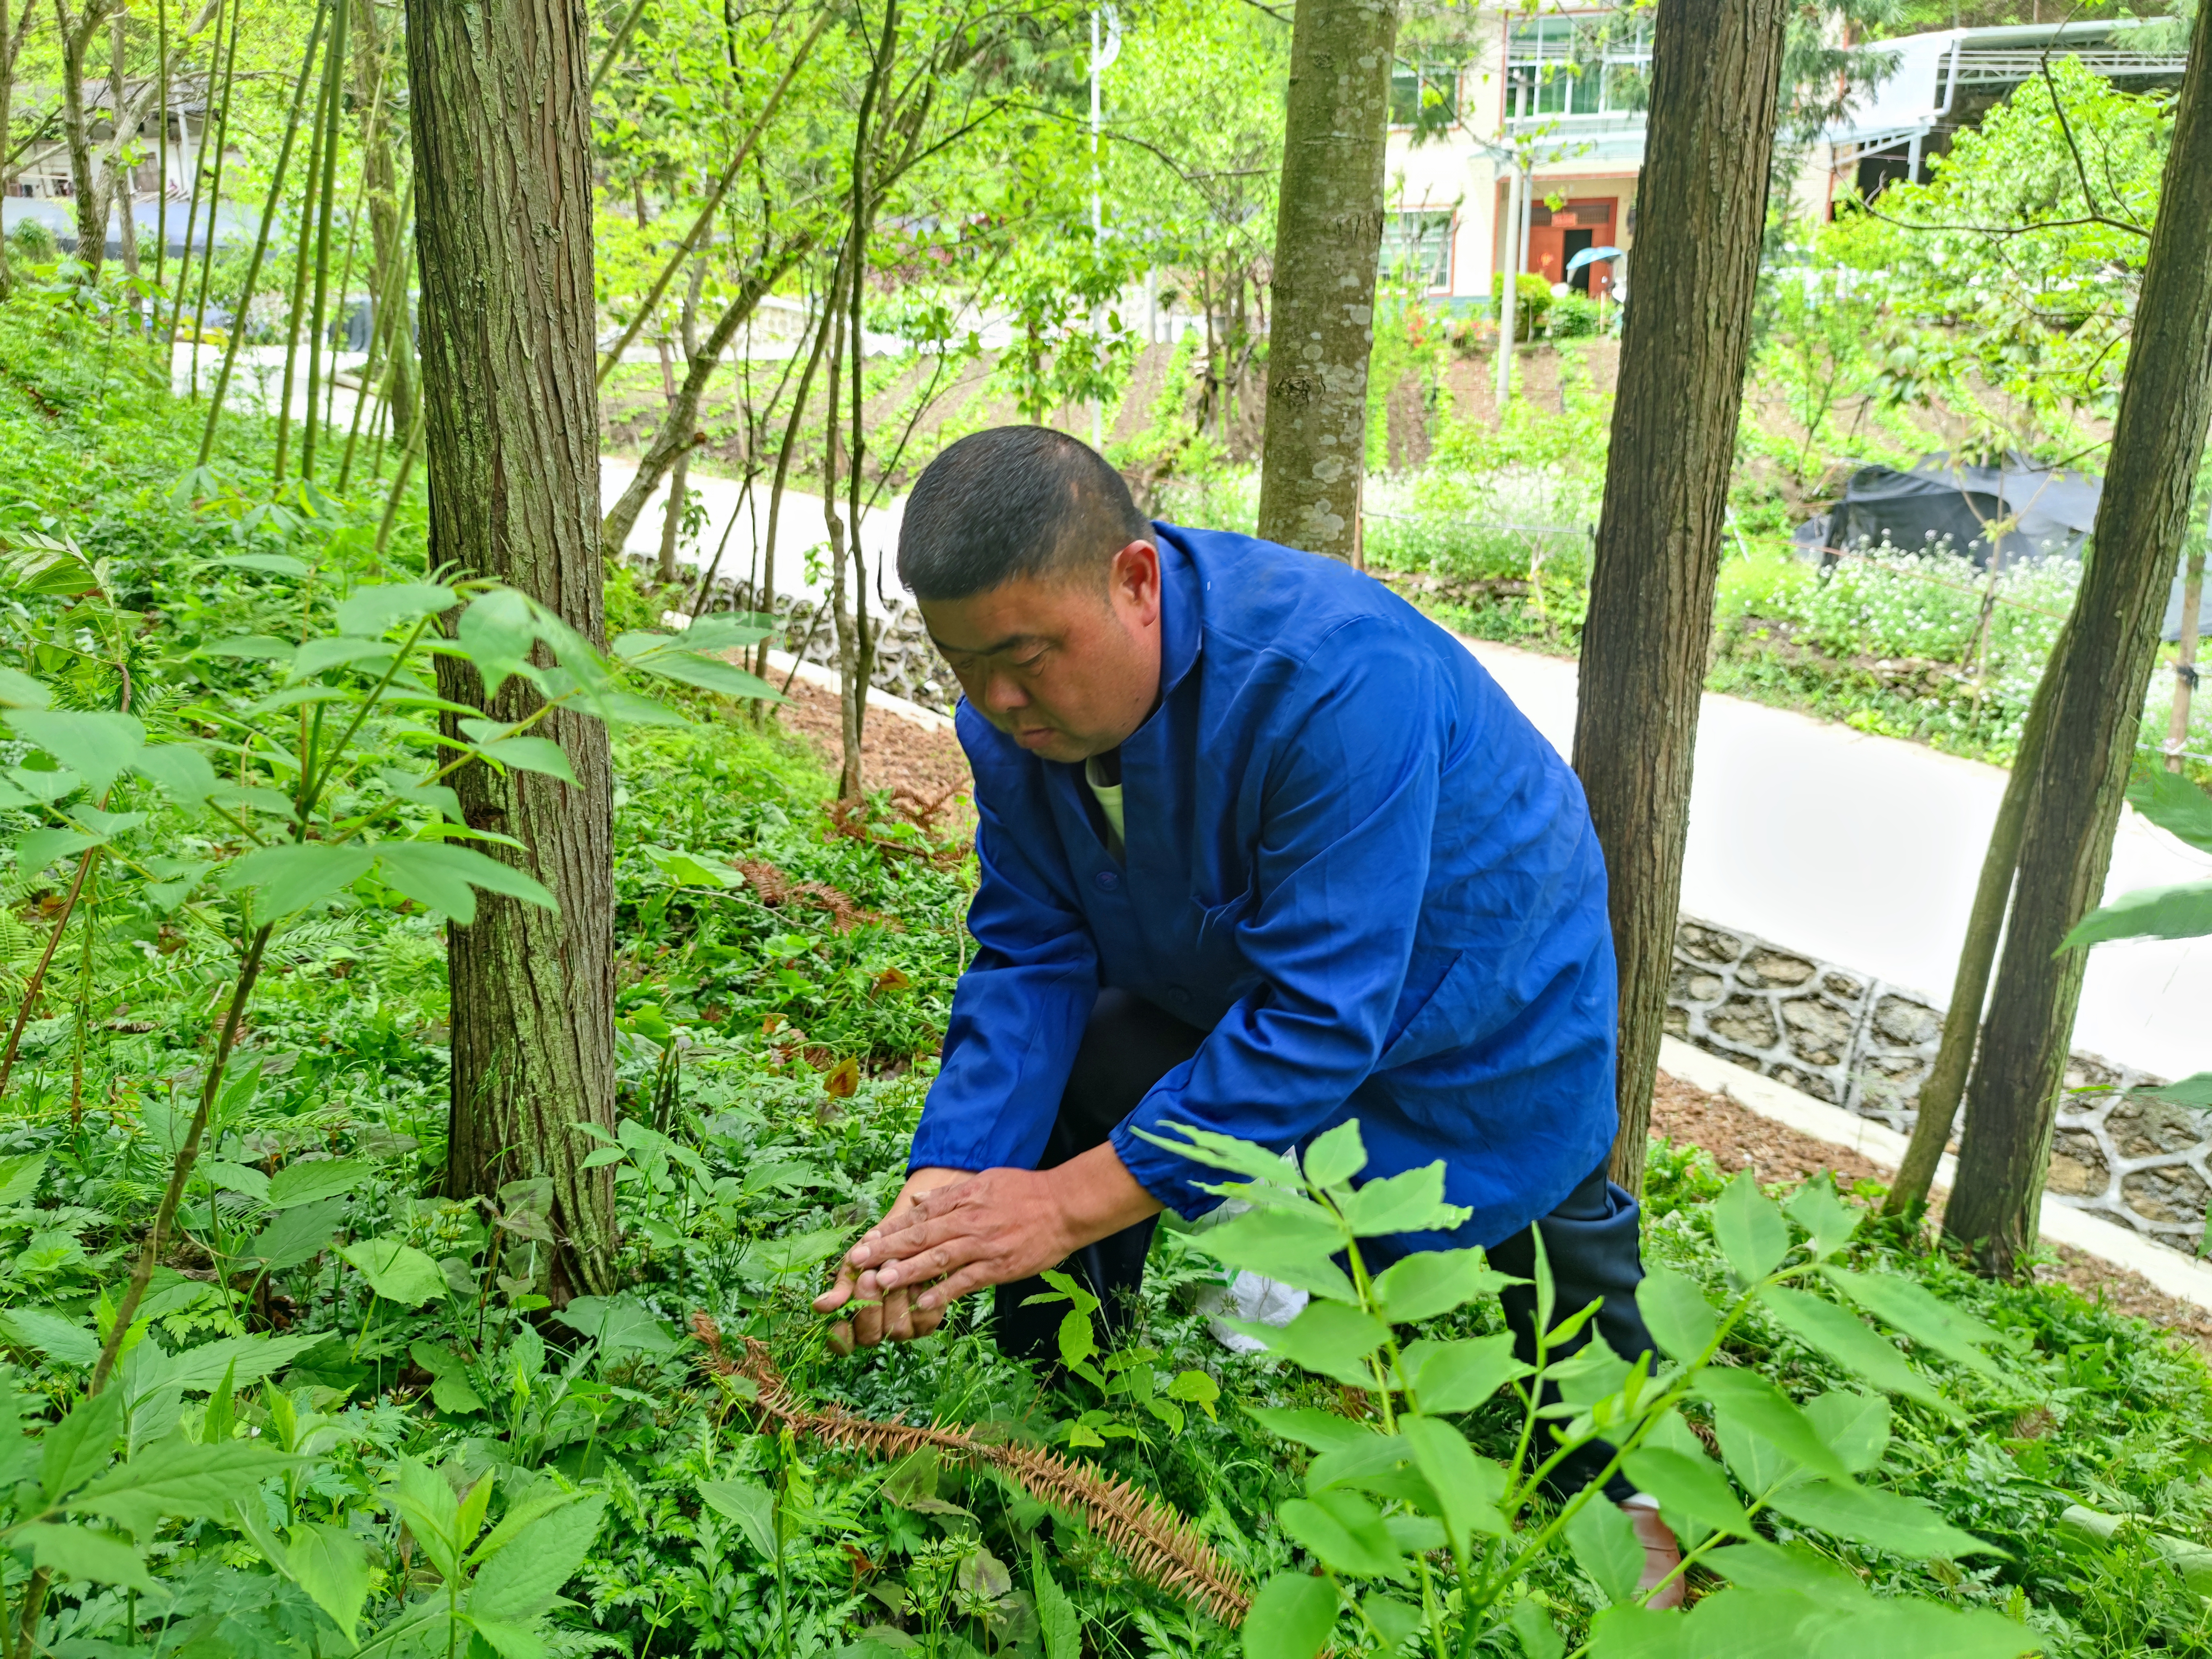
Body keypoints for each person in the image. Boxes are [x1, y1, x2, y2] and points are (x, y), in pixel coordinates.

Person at [812, 425, 1681, 1599]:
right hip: (1226, 971)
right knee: (1079, 1067)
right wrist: (952, 1186)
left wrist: (1063, 1205)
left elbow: (1321, 1015)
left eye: (1026, 657)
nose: (998, 702)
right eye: (966, 665)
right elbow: (1031, 950)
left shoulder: (1332, 679)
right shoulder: (1015, 724)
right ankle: (1065, 1402)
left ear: (1135, 582)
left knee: (1552, 1227)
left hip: (1478, 986)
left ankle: (1628, 1489)